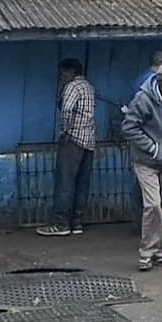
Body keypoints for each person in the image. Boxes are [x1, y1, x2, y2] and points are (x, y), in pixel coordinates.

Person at [122, 56, 162, 271]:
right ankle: (146, 253)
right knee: (153, 206)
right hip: (146, 161)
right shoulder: (144, 99)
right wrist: (153, 148)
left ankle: (159, 252)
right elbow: (129, 128)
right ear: (159, 81)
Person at [37, 58, 96, 237]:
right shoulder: (89, 87)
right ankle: (77, 222)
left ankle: (60, 223)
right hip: (89, 141)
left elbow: (66, 110)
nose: (61, 78)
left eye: (63, 73)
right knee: (82, 183)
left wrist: (65, 131)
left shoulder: (72, 87)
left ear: (71, 72)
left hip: (73, 140)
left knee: (65, 182)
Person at [129, 49, 162, 233]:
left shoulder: (141, 79)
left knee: (142, 189)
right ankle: (146, 229)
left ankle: (142, 226)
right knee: (151, 195)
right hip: (153, 144)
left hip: (146, 143)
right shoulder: (153, 83)